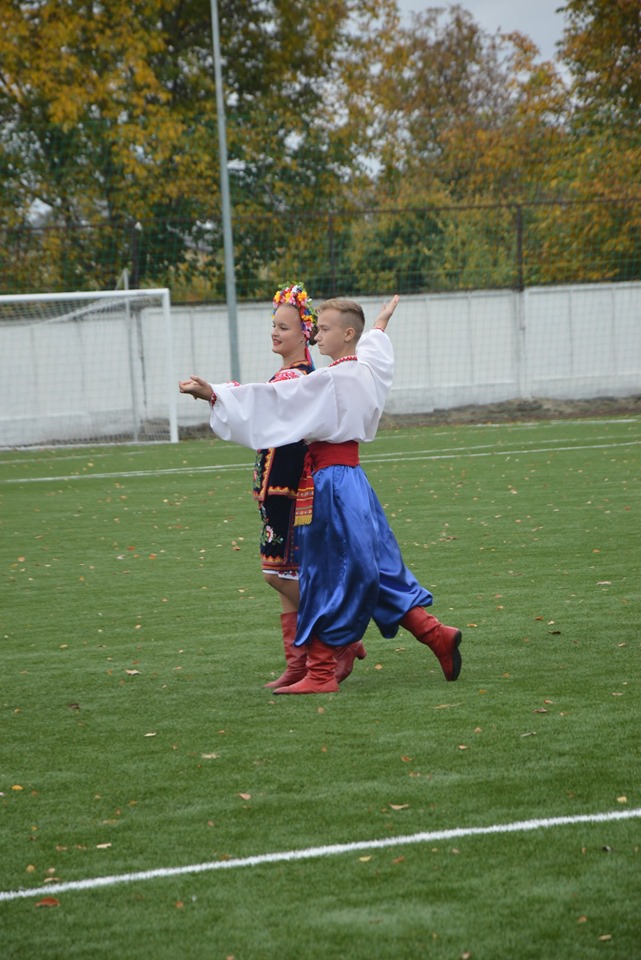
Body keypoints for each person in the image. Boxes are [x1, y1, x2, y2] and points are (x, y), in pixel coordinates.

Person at [179, 294, 462, 694]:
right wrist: (379, 323)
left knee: (323, 573)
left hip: (329, 482)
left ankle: (321, 671)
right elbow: (377, 349)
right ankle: (436, 635)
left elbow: (276, 401)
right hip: (356, 480)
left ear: (347, 335)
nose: (317, 336)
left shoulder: (329, 380)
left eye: (324, 330)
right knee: (375, 568)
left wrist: (214, 394)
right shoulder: (367, 369)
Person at [253, 283, 366, 689]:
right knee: (288, 577)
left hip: (294, 491)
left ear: (305, 332)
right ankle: (297, 663)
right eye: (273, 326)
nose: (275, 333)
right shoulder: (288, 374)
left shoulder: (304, 378)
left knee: (275, 574)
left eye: (283, 326)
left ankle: (342, 632)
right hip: (274, 492)